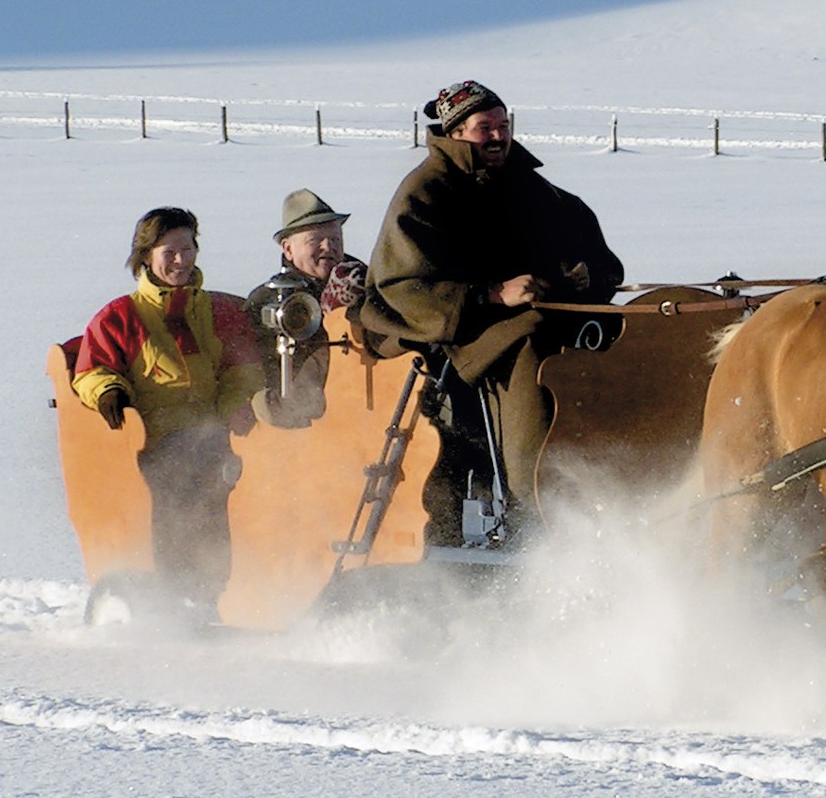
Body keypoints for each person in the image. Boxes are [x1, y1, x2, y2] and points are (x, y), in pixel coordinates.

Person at [361, 79, 623, 545]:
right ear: (456, 131)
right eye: (485, 127)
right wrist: (490, 295)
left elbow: (591, 244)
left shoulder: (530, 186)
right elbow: (400, 287)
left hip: (548, 319)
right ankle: (533, 508)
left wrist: (590, 273)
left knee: (620, 333)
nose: (499, 136)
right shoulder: (423, 192)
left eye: (503, 125)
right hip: (460, 343)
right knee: (532, 346)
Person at [72, 207, 264, 620]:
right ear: (145, 257)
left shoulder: (219, 312)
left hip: (216, 438)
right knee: (192, 477)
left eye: (187, 248)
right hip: (155, 446)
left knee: (260, 476)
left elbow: (242, 372)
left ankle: (252, 586)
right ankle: (188, 590)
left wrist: (237, 411)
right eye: (169, 251)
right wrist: (110, 393)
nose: (181, 260)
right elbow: (92, 370)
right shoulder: (120, 316)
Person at [243, 189, 368, 428]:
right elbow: (255, 369)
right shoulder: (267, 299)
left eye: (335, 239)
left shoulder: (361, 285)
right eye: (315, 240)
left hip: (368, 403)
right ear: (288, 249)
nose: (328, 247)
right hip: (302, 422)